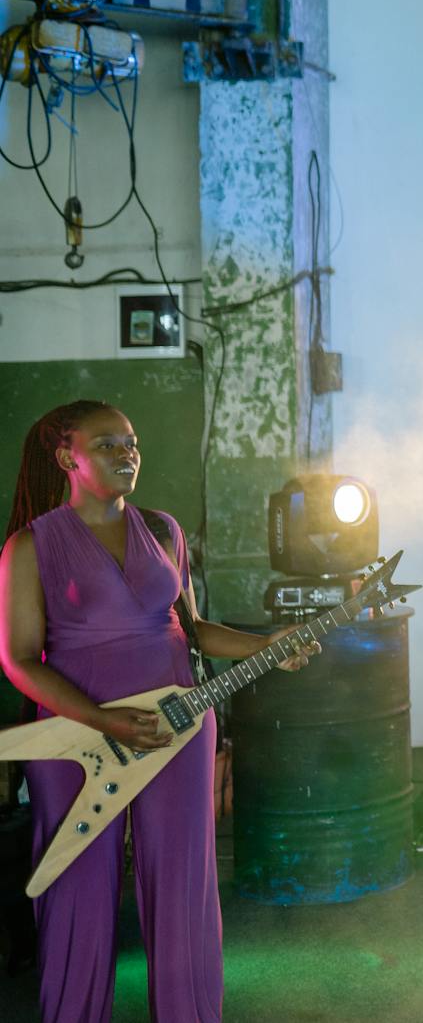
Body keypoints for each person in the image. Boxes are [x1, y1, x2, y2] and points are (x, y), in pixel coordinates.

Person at [0, 400, 317, 1023]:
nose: (127, 454)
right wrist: (105, 720)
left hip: (179, 729)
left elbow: (192, 630)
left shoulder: (165, 530)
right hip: (74, 737)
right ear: (69, 458)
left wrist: (266, 648)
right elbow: (18, 661)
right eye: (108, 444)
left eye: (132, 441)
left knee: (183, 888)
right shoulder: (31, 546)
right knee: (74, 894)